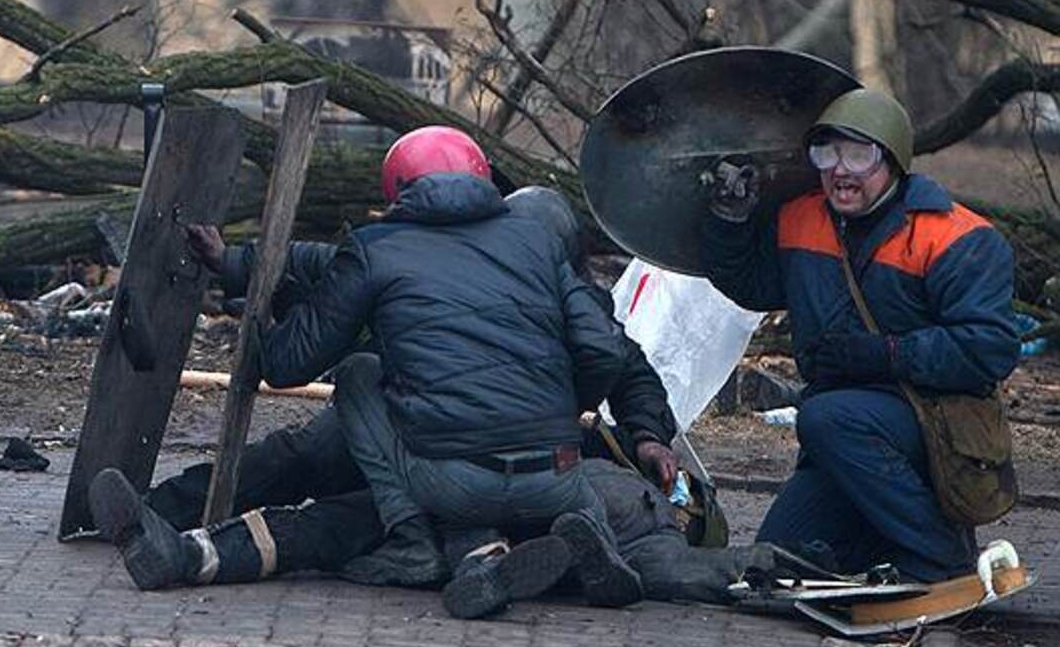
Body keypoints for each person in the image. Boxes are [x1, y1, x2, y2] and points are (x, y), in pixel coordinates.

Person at [94, 187, 787, 608]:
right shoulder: (459, 262)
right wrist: (239, 261)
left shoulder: (560, 293)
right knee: (301, 461)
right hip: (429, 442)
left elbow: (625, 365)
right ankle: (170, 522)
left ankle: (185, 550)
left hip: (451, 460)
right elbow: (327, 264)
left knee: (337, 512)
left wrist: (647, 434)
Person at [97, 127, 636, 619]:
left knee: (357, 375)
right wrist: (563, 412)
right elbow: (606, 351)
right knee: (510, 504)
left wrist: (260, 320)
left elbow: (288, 365)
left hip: (451, 478)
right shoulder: (537, 245)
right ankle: (558, 550)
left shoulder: (379, 249)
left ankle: (410, 538)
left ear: (397, 190)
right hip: (561, 478)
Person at [701, 88, 1019, 583]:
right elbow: (752, 285)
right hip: (843, 434)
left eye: (859, 155)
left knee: (827, 417)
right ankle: (881, 550)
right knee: (781, 560)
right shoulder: (801, 218)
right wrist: (729, 221)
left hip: (937, 424)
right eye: (826, 154)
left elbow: (989, 351)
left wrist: (887, 353)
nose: (840, 170)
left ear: (891, 160)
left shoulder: (957, 237)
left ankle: (944, 561)